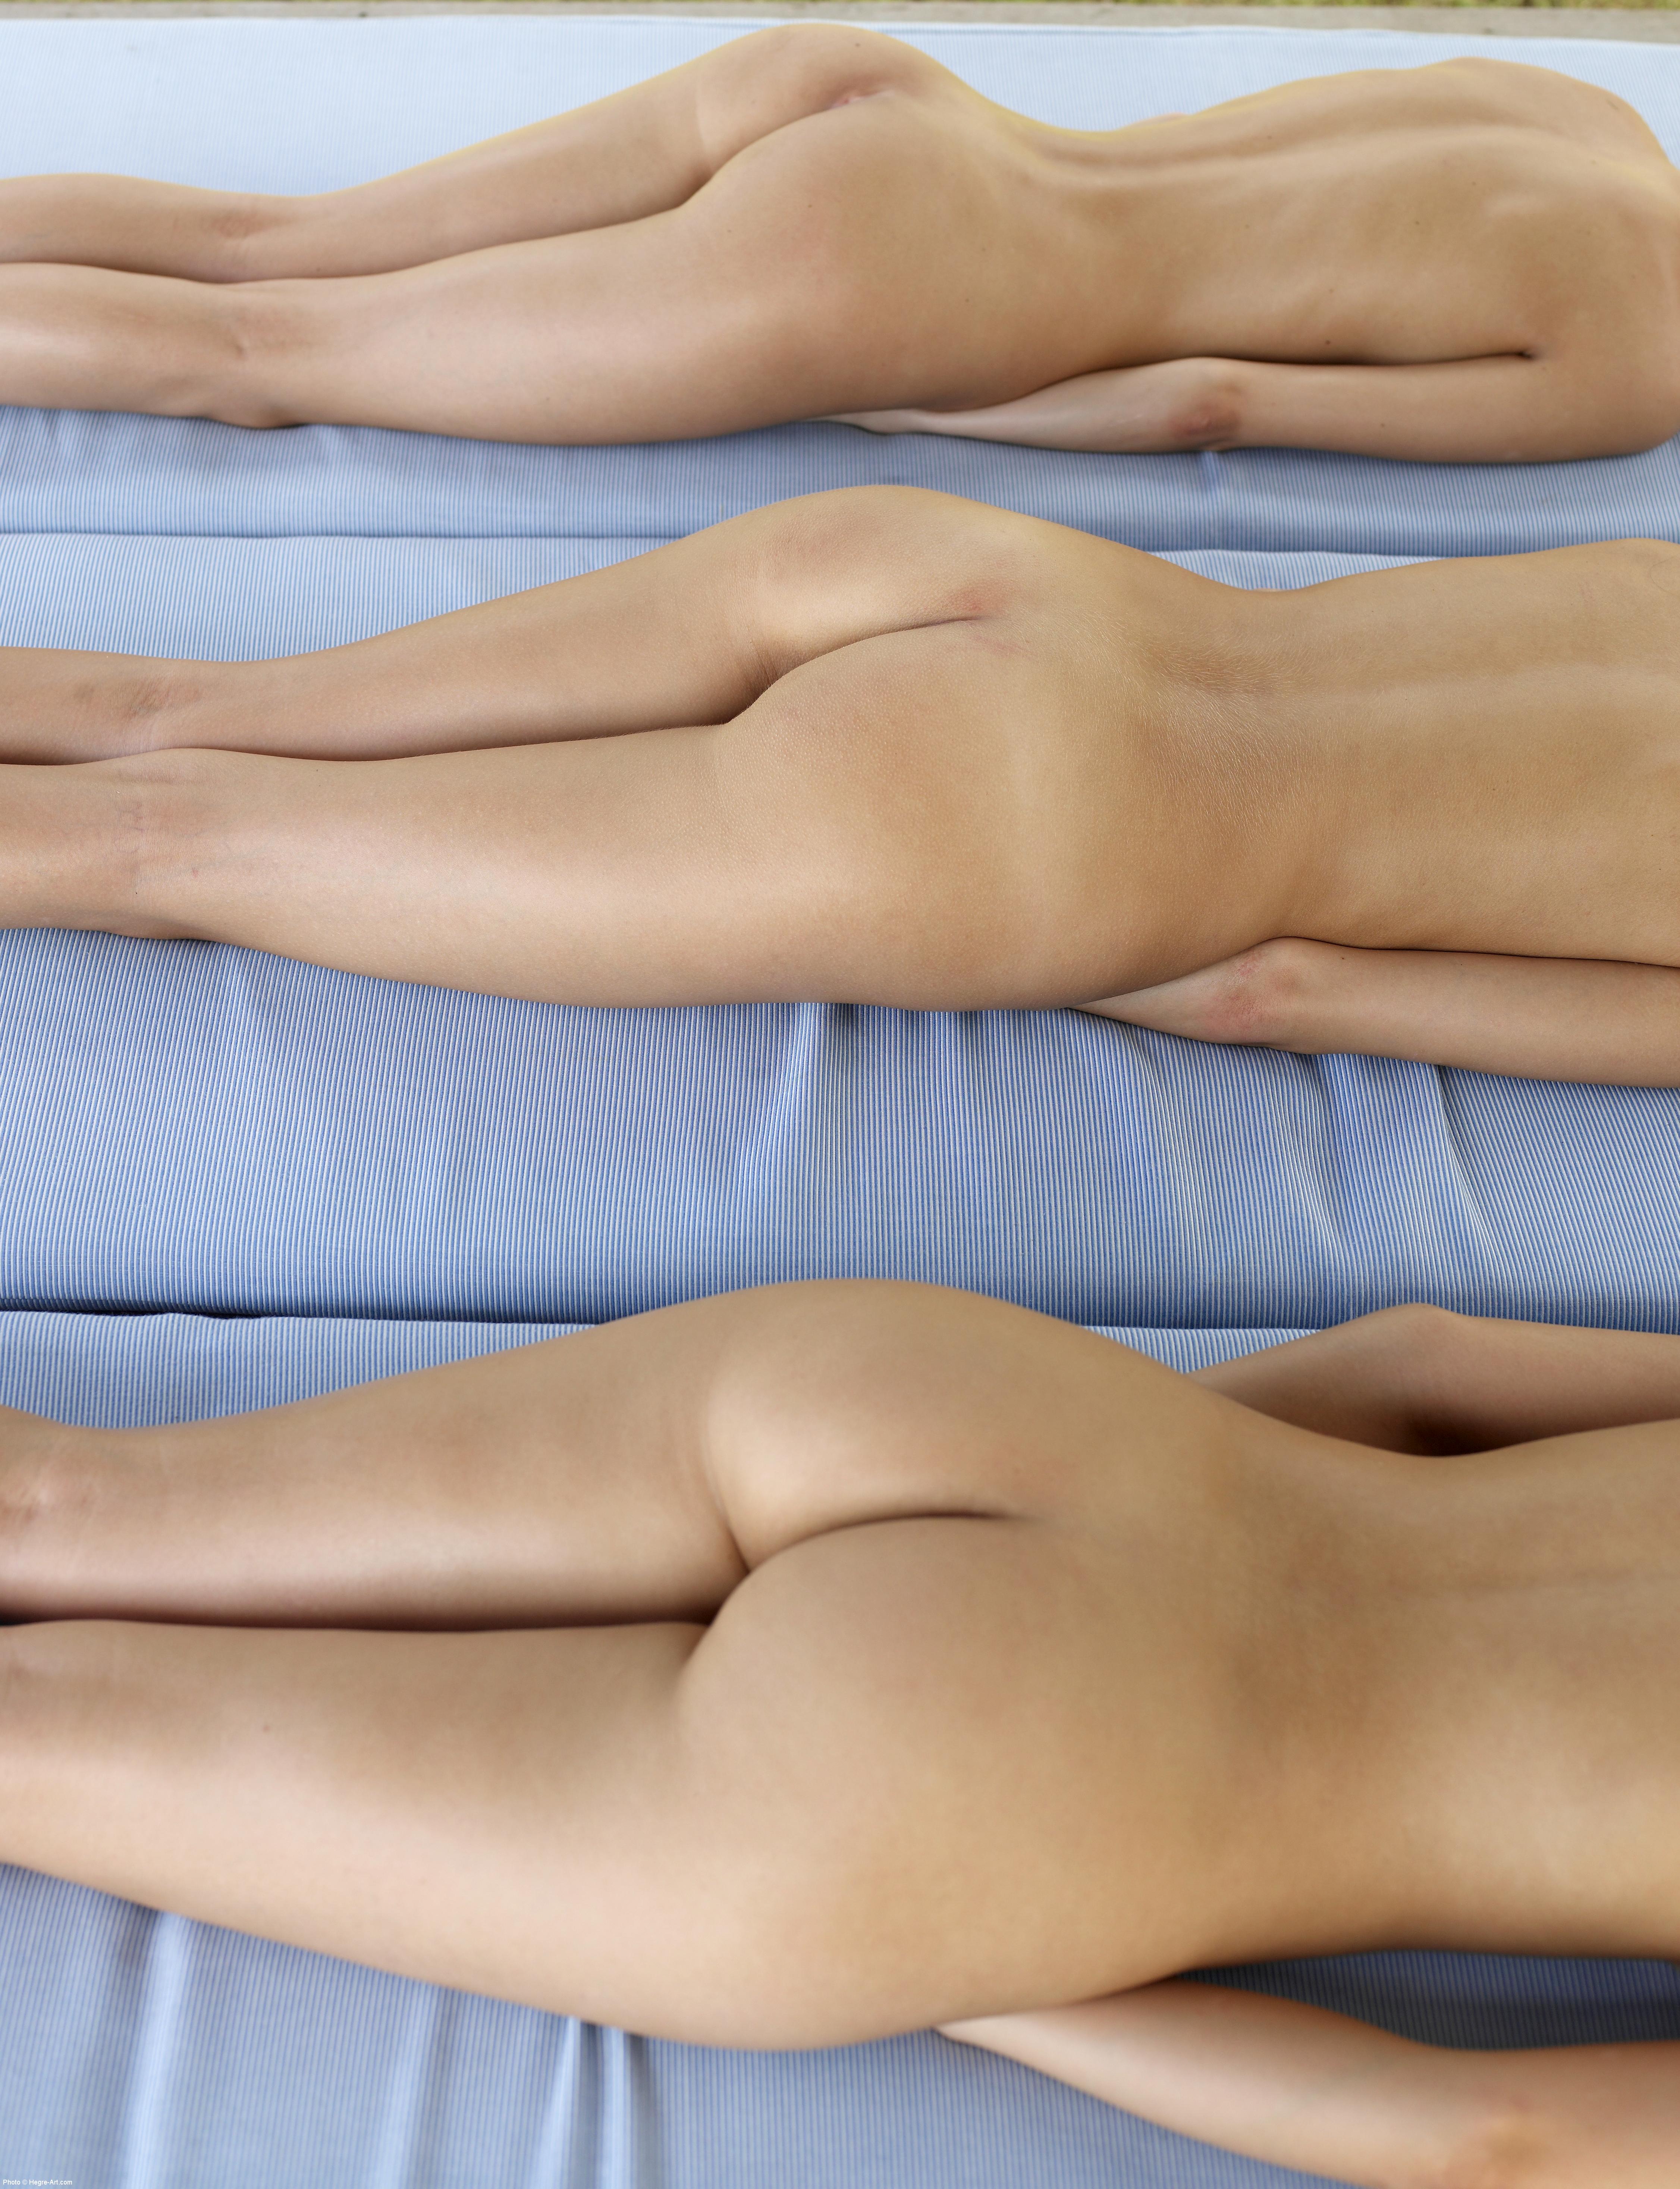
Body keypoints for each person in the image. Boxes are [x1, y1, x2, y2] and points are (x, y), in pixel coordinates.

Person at [3, 1283, 1677, 2186]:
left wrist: (1134, 1514)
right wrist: (1000, 1981)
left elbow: (1412, 1362)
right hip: (1022, 1778)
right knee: (42, 1740)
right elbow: (1483, 2141)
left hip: (1021, 1437)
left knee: (68, 1502)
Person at [6, 484, 1680, 1085]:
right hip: (1032, 815)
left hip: (1001, 581)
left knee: (191, 711)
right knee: (174, 849)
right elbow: (1276, 991)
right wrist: (1016, 939)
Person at [1, 29, 1677, 461]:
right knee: (262, 361)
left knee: (268, 245)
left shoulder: (1591, 116)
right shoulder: (1636, 363)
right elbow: (1212, 402)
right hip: (909, 282)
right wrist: (912, 408)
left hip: (890, 104)